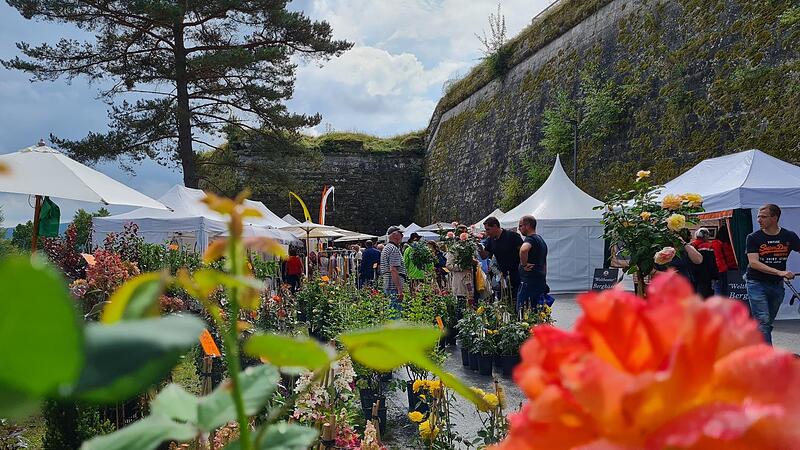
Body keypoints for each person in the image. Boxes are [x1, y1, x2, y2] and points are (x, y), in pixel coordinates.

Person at [745, 204, 800, 345]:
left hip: (776, 284)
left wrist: (781, 274)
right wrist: (779, 272)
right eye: (758, 216)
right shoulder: (753, 237)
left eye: (763, 216)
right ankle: (767, 359)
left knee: (767, 322)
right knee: (763, 320)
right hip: (756, 282)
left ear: (774, 218)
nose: (759, 220)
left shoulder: (789, 236)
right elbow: (754, 263)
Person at [480, 216, 523, 301]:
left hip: (516, 274)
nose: (487, 232)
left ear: (495, 226)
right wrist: (479, 248)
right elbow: (484, 256)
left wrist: (524, 264)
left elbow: (523, 250)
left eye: (488, 229)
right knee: (504, 300)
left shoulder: (512, 236)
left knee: (517, 300)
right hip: (502, 276)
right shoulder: (490, 240)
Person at [517, 215, 548, 312]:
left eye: (520, 226)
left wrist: (524, 264)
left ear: (527, 226)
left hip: (529, 282)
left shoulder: (530, 239)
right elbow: (544, 263)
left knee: (523, 310)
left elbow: (523, 250)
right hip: (539, 280)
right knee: (537, 310)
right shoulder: (541, 240)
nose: (519, 229)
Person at [380, 226, 407, 313]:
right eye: (401, 234)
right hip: (393, 286)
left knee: (391, 311)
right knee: (395, 313)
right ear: (395, 235)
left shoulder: (387, 247)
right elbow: (393, 269)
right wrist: (400, 290)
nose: (402, 236)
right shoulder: (393, 249)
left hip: (388, 284)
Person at [713, 227, 738, 296]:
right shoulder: (732, 243)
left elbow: (718, 256)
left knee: (720, 288)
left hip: (722, 268)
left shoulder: (717, 243)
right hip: (734, 267)